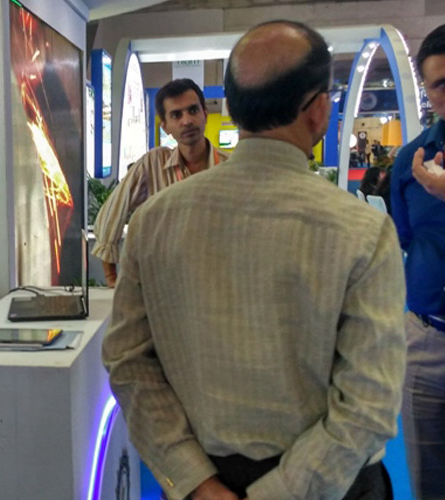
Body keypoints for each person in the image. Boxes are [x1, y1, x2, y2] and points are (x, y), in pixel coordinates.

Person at [103, 20, 405, 500]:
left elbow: (127, 361)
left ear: (229, 108)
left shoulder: (153, 222)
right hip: (330, 485)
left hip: (206, 480)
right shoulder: (363, 231)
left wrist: (195, 480)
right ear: (320, 111)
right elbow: (369, 404)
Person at [91, 78, 228, 287]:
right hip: (165, 287)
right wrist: (111, 279)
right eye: (176, 115)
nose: (187, 121)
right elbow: (111, 213)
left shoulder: (229, 166)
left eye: (193, 110)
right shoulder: (153, 165)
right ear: (165, 126)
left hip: (218, 283)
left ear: (205, 114)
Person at [390, 23, 445, 499]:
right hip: (427, 339)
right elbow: (406, 237)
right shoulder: (412, 161)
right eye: (440, 84)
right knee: (428, 481)